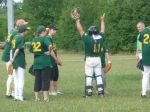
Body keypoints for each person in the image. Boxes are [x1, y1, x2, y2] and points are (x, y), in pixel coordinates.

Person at [72, 13, 105, 97]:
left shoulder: (87, 38)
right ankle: (101, 92)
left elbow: (80, 30)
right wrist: (102, 20)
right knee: (98, 75)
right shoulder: (100, 37)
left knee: (89, 76)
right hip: (98, 59)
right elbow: (102, 30)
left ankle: (89, 92)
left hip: (89, 59)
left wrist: (77, 20)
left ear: (90, 32)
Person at [30, 25, 60, 102]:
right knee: (45, 80)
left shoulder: (33, 39)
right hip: (44, 62)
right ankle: (46, 98)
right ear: (43, 32)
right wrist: (49, 52)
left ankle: (37, 98)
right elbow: (50, 46)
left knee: (37, 80)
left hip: (36, 62)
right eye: (45, 31)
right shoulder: (44, 39)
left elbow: (32, 51)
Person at [2, 19, 28, 98]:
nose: (25, 26)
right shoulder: (17, 33)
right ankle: (9, 93)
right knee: (12, 75)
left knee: (12, 75)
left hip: (9, 54)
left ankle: (12, 92)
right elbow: (15, 48)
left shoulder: (13, 31)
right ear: (19, 25)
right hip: (10, 55)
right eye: (23, 24)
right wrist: (12, 58)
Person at [10, 24, 30, 101]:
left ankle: (16, 96)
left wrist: (12, 59)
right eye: (26, 30)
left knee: (16, 78)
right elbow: (18, 50)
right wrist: (14, 58)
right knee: (21, 79)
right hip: (19, 60)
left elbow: (12, 50)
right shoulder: (21, 38)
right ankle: (20, 97)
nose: (27, 31)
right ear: (23, 31)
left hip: (14, 61)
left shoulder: (15, 37)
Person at [46, 24, 62, 96]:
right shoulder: (47, 38)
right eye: (54, 30)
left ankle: (55, 90)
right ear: (50, 29)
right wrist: (56, 59)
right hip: (50, 61)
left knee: (56, 75)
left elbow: (55, 51)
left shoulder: (51, 38)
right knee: (51, 77)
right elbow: (51, 51)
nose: (55, 31)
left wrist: (58, 59)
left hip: (54, 61)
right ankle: (51, 91)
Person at [138, 21, 150, 98]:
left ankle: (144, 93)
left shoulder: (143, 32)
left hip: (145, 55)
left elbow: (140, 40)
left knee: (145, 74)